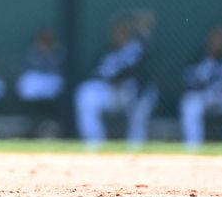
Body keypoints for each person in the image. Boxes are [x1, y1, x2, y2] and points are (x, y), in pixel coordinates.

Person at [74, 10, 157, 148]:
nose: (121, 35)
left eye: (125, 32)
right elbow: (99, 73)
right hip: (110, 91)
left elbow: (142, 61)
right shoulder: (107, 52)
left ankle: (136, 144)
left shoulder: (138, 48)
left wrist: (144, 30)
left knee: (147, 95)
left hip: (132, 92)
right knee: (85, 93)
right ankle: (94, 142)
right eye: (118, 32)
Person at [179, 24, 222, 149]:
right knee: (189, 104)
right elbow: (188, 80)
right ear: (209, 40)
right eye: (215, 39)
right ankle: (193, 147)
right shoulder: (198, 56)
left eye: (221, 39)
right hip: (205, 96)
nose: (218, 43)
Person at [14, 26, 65, 137]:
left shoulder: (59, 52)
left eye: (49, 39)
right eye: (44, 38)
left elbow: (57, 68)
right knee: (29, 83)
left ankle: (50, 123)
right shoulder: (32, 52)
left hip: (53, 81)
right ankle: (33, 121)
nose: (46, 41)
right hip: (36, 83)